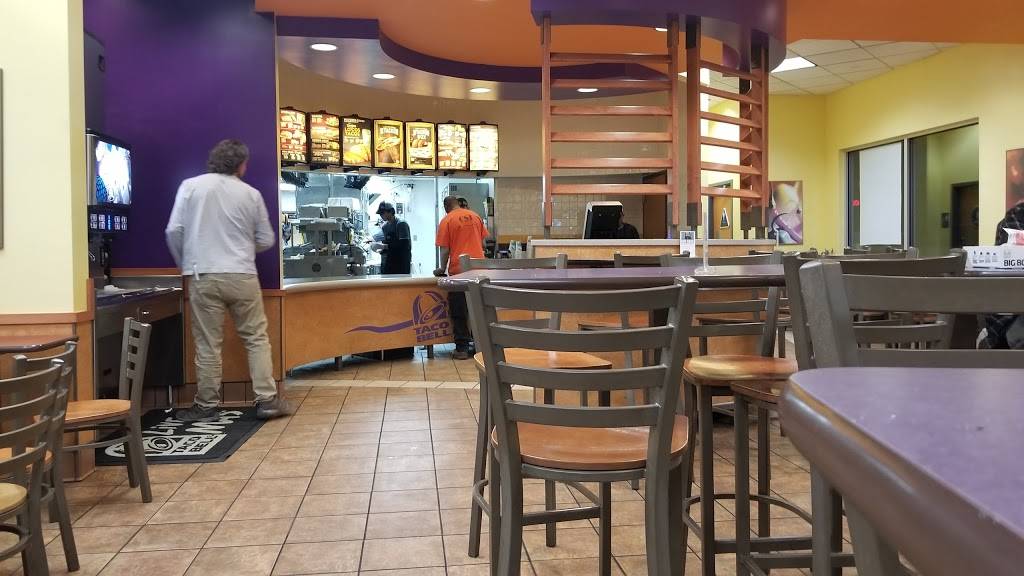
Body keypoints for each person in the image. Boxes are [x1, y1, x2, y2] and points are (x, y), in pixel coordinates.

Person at [165, 139, 289, 421]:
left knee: (208, 343)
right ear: (241, 165)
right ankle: (267, 400)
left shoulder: (190, 186)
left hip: (203, 274)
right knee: (256, 339)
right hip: (243, 274)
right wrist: (243, 248)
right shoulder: (251, 194)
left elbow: (173, 230)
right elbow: (267, 238)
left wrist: (186, 263)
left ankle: (206, 405)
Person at [434, 195, 488, 359]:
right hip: (479, 271)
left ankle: (462, 348)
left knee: (459, 310)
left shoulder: (447, 220)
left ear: (446, 207)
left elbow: (444, 250)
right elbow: (483, 244)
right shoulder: (475, 216)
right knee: (478, 310)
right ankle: (481, 347)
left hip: (459, 272)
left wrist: (441, 268)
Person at [372, 202, 412, 275]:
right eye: (380, 213)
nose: (381, 215)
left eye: (383, 213)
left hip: (401, 262)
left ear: (391, 211)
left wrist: (383, 246)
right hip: (389, 261)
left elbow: (404, 245)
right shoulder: (385, 227)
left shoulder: (401, 224)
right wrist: (381, 250)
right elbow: (387, 244)